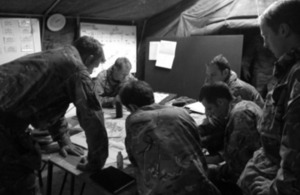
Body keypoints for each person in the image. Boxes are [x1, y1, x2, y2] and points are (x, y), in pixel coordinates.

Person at [0, 36, 108, 195]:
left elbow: (51, 105)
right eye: (94, 67)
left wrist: (63, 138)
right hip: (4, 126)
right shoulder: (76, 68)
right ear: (89, 58)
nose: (91, 72)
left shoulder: (55, 56)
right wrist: (96, 161)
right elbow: (92, 116)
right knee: (22, 182)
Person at [238, 1, 300, 194]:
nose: (264, 44)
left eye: (266, 36)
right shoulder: (289, 70)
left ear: (283, 30)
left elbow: (296, 150)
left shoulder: (297, 75)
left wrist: (276, 190)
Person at [119, 80, 221, 195]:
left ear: (132, 107)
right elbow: (197, 143)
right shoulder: (182, 112)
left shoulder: (134, 120)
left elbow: (134, 161)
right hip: (203, 188)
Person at [198, 82, 262, 191]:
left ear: (220, 102)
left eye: (209, 108)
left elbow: (238, 166)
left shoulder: (241, 115)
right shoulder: (240, 106)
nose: (207, 114)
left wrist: (213, 169)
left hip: (253, 176)